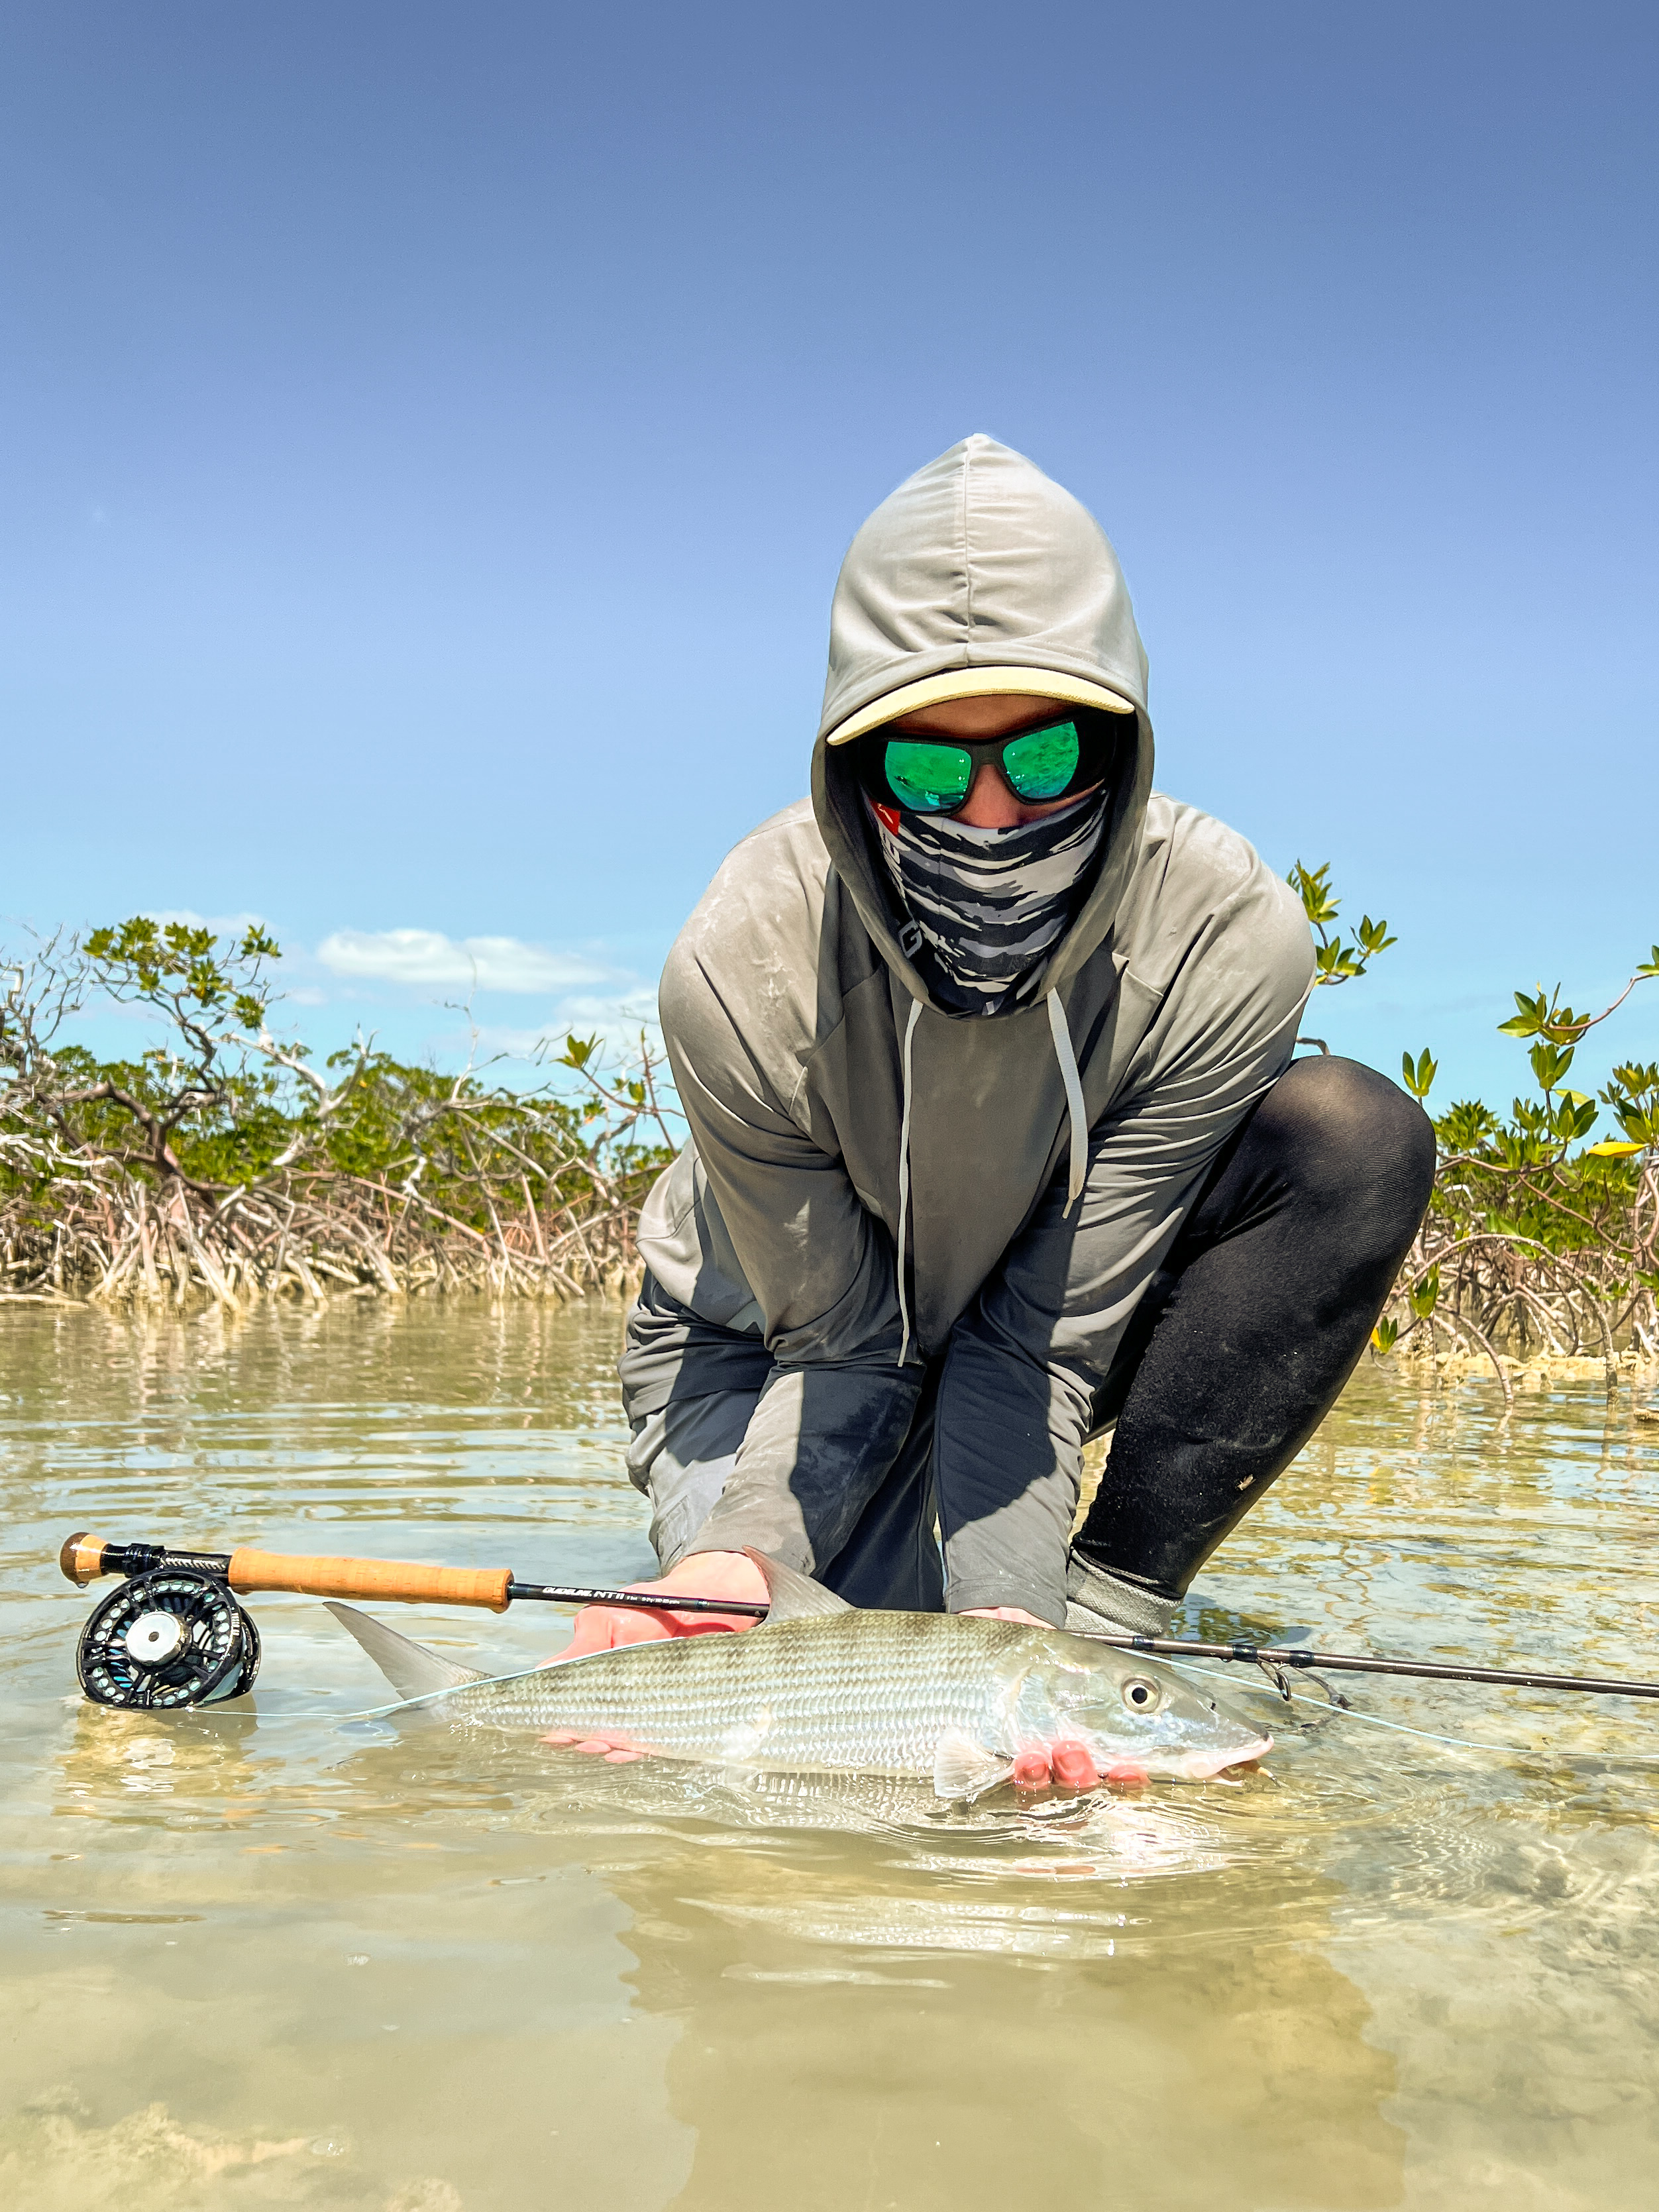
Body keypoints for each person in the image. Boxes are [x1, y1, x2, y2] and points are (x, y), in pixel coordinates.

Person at [554, 435, 1434, 1785]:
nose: (987, 811)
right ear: (857, 780)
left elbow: (1039, 1344)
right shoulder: (738, 963)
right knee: (759, 1690)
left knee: (1350, 1131)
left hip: (1034, 1337)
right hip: (769, 1356)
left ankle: (1119, 1626)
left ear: (1121, 743)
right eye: (922, 773)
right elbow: (839, 1338)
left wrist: (1032, 1636)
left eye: (1045, 756)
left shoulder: (1228, 936)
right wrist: (740, 1560)